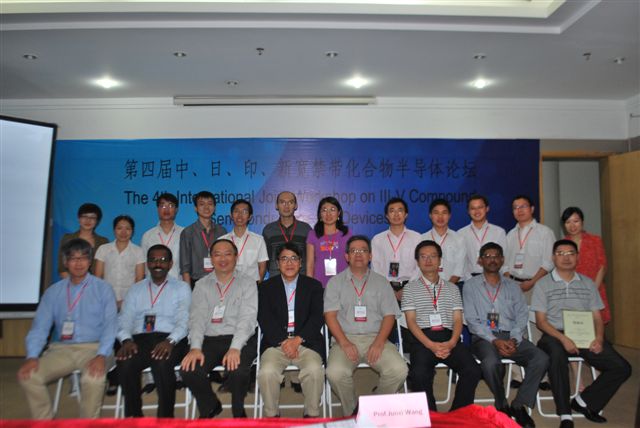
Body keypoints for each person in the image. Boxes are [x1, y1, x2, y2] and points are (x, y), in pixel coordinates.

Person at [532, 239, 631, 428]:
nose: (566, 258)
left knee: (622, 367)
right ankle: (565, 414)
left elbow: (597, 317)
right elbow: (541, 322)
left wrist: (599, 338)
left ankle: (584, 402)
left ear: (577, 257)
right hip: (554, 334)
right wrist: (563, 339)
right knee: (556, 356)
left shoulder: (588, 283)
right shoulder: (543, 284)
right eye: (560, 254)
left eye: (570, 253)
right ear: (553, 258)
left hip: (584, 333)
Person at [18, 238, 117, 419]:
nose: (78, 263)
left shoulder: (103, 289)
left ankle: (88, 424)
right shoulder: (53, 292)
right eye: (73, 258)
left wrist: (102, 355)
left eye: (83, 258)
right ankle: (45, 422)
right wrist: (32, 356)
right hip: (61, 349)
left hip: (95, 348)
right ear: (65, 262)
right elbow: (39, 328)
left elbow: (111, 326)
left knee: (93, 378)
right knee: (29, 376)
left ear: (90, 261)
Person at [463, 242, 548, 427]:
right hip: (484, 338)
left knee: (541, 358)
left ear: (502, 260)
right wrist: (495, 340)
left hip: (511, 336)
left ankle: (519, 405)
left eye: (496, 256)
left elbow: (522, 315)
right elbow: (472, 320)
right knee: (490, 363)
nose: (492, 260)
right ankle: (501, 403)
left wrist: (514, 339)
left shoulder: (513, 286)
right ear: (480, 260)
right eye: (487, 256)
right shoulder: (470, 286)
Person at [324, 235, 408, 416]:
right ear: (346, 256)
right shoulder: (335, 283)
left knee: (399, 370)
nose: (358, 254)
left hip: (377, 338)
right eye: (354, 250)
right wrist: (344, 343)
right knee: (335, 372)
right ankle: (353, 410)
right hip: (345, 339)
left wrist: (379, 343)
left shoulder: (382, 282)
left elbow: (389, 316)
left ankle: (373, 407)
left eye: (363, 250)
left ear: (370, 256)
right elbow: (330, 316)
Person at [180, 239, 258, 418]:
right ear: (211, 258)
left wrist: (235, 347)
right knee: (189, 369)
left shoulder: (248, 283)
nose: (223, 259)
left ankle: (238, 410)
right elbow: (197, 319)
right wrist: (195, 347)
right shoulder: (201, 285)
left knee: (238, 370)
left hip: (239, 338)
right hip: (209, 339)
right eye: (217, 254)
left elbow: (247, 319)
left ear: (236, 257)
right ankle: (210, 405)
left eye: (228, 254)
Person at [402, 240, 481, 412]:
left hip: (448, 338)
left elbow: (458, 320)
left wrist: (452, 343)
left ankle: (458, 413)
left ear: (440, 260)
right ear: (417, 262)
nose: (428, 260)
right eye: (423, 257)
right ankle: (431, 416)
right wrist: (430, 345)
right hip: (423, 340)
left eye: (433, 256)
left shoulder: (452, 288)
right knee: (418, 374)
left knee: (473, 370)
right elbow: (411, 322)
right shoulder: (410, 289)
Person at [116, 245, 191, 418]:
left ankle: (165, 418)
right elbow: (124, 318)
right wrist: (126, 340)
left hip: (171, 339)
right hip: (139, 339)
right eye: (153, 260)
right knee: (125, 362)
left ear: (170, 264)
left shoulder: (181, 287)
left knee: (161, 362)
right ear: (147, 263)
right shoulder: (135, 289)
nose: (158, 264)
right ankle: (134, 416)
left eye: (163, 260)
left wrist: (170, 341)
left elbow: (185, 320)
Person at [257, 242, 325, 417]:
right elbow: (264, 318)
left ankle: (311, 414)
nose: (289, 263)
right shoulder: (266, 287)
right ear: (277, 263)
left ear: (300, 263)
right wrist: (285, 342)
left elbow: (317, 317)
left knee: (314, 371)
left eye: (294, 258)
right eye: (284, 259)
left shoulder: (313, 286)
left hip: (306, 342)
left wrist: (297, 340)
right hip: (276, 343)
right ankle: (272, 415)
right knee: (267, 373)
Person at [561, 207, 611, 324]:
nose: (572, 226)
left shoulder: (595, 240)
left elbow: (602, 266)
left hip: (595, 289)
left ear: (582, 222)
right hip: (572, 293)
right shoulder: (562, 244)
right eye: (568, 222)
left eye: (576, 221)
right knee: (576, 326)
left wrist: (592, 290)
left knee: (596, 325)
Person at [504, 195, 556, 301]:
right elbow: (505, 262)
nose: (519, 210)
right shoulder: (510, 234)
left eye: (523, 206)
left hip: (536, 286)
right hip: (512, 287)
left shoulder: (545, 232)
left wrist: (532, 282)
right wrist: (509, 280)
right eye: (515, 207)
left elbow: (549, 263)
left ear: (532, 209)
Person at [371, 197, 421, 301]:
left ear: (406, 215)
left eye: (400, 210)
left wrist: (407, 289)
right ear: (387, 216)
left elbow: (420, 266)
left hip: (411, 288)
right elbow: (375, 267)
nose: (396, 214)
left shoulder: (417, 238)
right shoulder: (377, 239)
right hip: (384, 289)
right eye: (392, 211)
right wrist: (388, 289)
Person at [94, 215, 145, 309]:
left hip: (130, 300)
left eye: (127, 229)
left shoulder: (138, 251)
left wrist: (127, 301)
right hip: (105, 299)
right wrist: (105, 298)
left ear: (132, 231)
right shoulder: (103, 249)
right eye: (119, 228)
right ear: (114, 230)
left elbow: (139, 279)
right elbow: (98, 277)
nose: (123, 232)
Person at [179, 191, 227, 288]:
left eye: (210, 204)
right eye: (202, 204)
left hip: (219, 282)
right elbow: (185, 267)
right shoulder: (188, 232)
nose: (206, 207)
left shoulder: (221, 231)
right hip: (196, 283)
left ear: (214, 207)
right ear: (195, 208)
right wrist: (188, 291)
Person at [262, 191, 312, 278]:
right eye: (282, 202)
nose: (286, 206)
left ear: (296, 205)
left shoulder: (306, 229)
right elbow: (265, 260)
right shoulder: (268, 230)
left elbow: (310, 258)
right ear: (276, 206)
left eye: (290, 202)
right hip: (276, 279)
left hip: (301, 279)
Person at [306, 196, 352, 287]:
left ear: (338, 213)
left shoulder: (347, 234)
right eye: (324, 210)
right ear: (320, 214)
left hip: (343, 284)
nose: (328, 214)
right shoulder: (313, 234)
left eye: (332, 209)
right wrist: (309, 287)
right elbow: (310, 264)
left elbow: (352, 261)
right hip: (319, 285)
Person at [219, 199, 269, 283]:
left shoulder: (258, 240)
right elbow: (218, 266)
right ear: (231, 215)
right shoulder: (222, 241)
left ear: (250, 217)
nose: (240, 215)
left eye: (244, 212)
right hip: (228, 286)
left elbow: (262, 266)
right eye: (236, 211)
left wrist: (257, 285)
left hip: (252, 286)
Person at [458, 195, 507, 279]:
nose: (477, 211)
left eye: (480, 207)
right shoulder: (461, 234)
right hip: (469, 279)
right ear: (468, 211)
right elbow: (460, 262)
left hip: (494, 278)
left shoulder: (499, 232)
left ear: (487, 208)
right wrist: (470, 280)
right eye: (473, 208)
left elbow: (503, 259)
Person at [57, 203, 109, 278]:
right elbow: (62, 268)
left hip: (96, 283)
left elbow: (104, 270)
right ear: (79, 219)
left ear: (97, 221)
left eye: (92, 217)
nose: (88, 220)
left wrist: (93, 284)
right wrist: (76, 284)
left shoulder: (103, 242)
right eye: (84, 216)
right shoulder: (67, 239)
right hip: (72, 282)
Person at [421, 199, 465, 286]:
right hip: (427, 287)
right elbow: (419, 267)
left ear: (449, 215)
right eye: (436, 213)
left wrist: (446, 288)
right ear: (430, 215)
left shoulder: (459, 239)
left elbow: (459, 269)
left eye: (444, 213)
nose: (440, 216)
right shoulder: (422, 239)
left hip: (454, 285)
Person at [141, 193, 184, 280]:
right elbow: (144, 266)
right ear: (158, 209)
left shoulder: (184, 233)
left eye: (171, 205)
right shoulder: (148, 235)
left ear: (176, 210)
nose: (166, 209)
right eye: (163, 206)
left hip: (178, 284)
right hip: (153, 284)